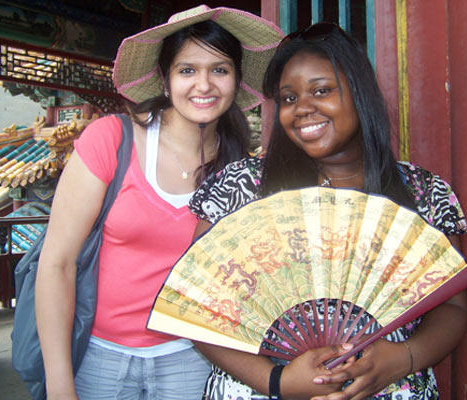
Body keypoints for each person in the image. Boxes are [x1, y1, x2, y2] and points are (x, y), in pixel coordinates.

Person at [189, 22, 467, 400]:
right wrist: (278, 382)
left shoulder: (425, 194)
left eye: (321, 91)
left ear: (361, 94)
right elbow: (195, 307)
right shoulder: (241, 187)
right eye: (288, 98)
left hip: (390, 388)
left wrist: (400, 359)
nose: (302, 109)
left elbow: (451, 304)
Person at [34, 5, 283, 399]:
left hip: (194, 360)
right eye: (187, 70)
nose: (204, 84)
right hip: (100, 360)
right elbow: (56, 264)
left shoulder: (239, 171)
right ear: (165, 82)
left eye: (220, 69)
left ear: (235, 82)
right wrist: (59, 383)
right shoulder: (111, 141)